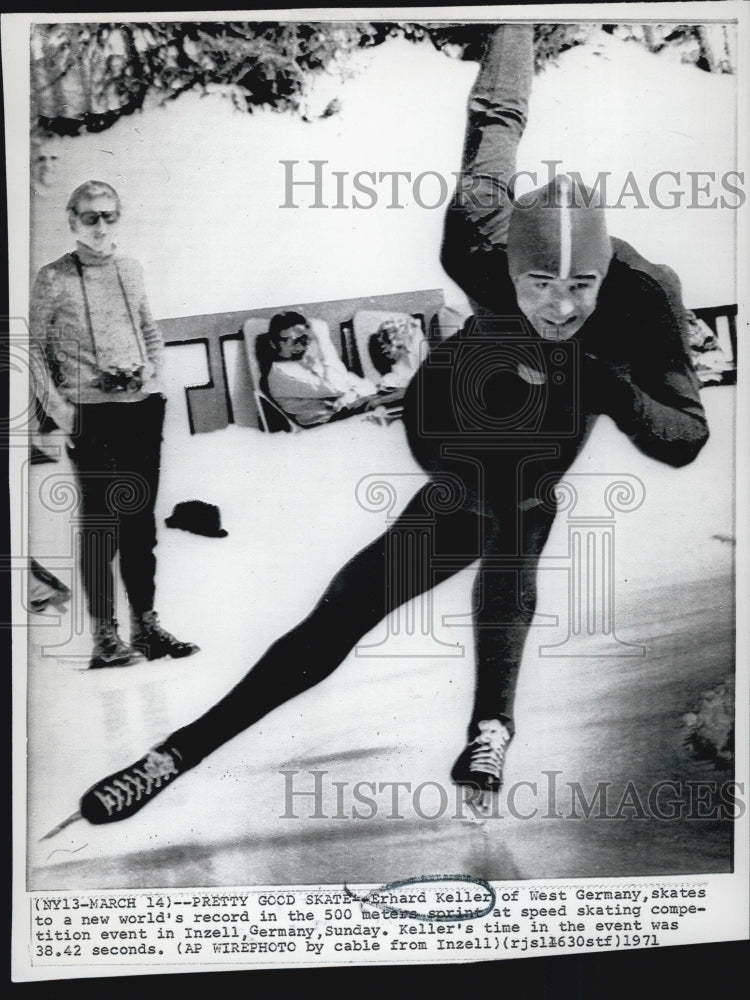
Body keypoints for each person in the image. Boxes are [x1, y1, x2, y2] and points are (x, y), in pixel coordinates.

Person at [76, 25, 707, 824]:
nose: (559, 306)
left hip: (531, 447)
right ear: (505, 266)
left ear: (605, 275)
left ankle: (489, 723)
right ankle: (174, 753)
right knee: (350, 605)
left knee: (519, 516)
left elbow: (684, 438)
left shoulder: (642, 297)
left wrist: (616, 383)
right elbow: (494, 117)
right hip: (452, 429)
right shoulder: (475, 236)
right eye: (538, 284)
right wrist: (514, 22)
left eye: (580, 286)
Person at [30, 180, 200, 669]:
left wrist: (154, 375)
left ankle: (146, 627)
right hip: (90, 413)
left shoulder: (130, 268)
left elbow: (148, 326)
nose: (100, 226)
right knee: (100, 525)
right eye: (90, 217)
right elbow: (34, 352)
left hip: (141, 408)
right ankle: (106, 637)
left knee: (140, 523)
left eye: (109, 215)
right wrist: (59, 409)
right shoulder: (53, 278)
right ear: (72, 220)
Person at [264, 311, 383, 427]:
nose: (300, 345)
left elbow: (363, 385)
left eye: (303, 338)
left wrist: (348, 396)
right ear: (274, 343)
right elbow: (339, 387)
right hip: (324, 427)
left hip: (346, 415)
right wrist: (322, 338)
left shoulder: (307, 359)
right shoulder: (280, 372)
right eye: (290, 340)